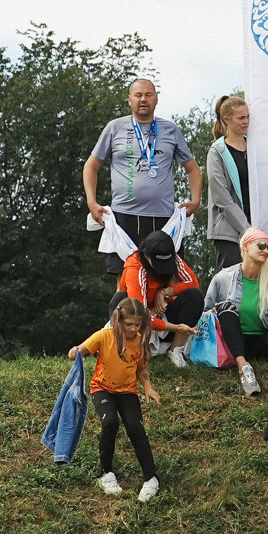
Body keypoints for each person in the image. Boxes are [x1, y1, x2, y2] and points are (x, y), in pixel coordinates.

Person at [84, 78, 202, 270]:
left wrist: (196, 200)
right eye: (138, 95)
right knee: (125, 281)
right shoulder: (115, 128)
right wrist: (92, 202)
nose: (143, 99)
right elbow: (91, 166)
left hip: (163, 217)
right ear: (129, 99)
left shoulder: (170, 130)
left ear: (156, 99)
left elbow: (192, 168)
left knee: (164, 278)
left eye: (148, 95)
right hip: (124, 216)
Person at [72, 297, 162, 501]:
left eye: (137, 325)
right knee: (110, 422)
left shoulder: (139, 341)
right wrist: (74, 352)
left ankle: (151, 478)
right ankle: (105, 473)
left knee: (136, 428)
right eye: (129, 324)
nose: (133, 328)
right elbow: (81, 350)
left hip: (128, 391)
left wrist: (148, 387)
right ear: (118, 320)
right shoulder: (103, 336)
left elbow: (141, 368)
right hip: (102, 388)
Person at [204, 227, 268, 396]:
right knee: (225, 306)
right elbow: (205, 312)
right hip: (232, 342)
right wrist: (213, 311)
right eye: (261, 245)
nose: (266, 251)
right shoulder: (223, 277)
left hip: (263, 342)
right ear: (245, 246)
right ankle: (244, 367)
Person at [118, 229, 203, 364]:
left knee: (194, 295)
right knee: (120, 298)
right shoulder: (135, 268)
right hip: (138, 322)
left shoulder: (172, 257)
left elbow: (193, 282)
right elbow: (141, 314)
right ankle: (128, 349)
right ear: (146, 256)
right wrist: (176, 328)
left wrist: (165, 291)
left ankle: (175, 351)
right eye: (159, 264)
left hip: (161, 315)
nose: (163, 268)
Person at [203, 94, 254, 270]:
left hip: (256, 229)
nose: (246, 121)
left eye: (248, 117)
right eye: (241, 118)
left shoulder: (255, 148)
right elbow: (221, 197)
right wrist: (246, 228)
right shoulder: (217, 152)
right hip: (229, 233)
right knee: (231, 285)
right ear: (227, 119)